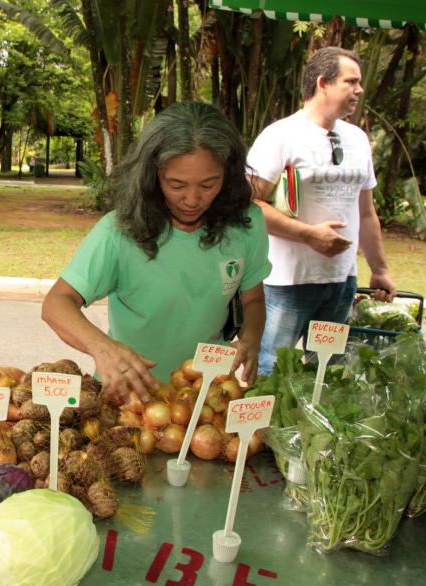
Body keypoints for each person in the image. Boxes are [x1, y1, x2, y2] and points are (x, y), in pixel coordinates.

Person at [42, 101, 271, 403]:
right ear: (152, 175)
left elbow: (252, 299)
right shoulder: (119, 230)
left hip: (206, 397)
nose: (192, 199)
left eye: (208, 184)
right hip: (130, 397)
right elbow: (56, 303)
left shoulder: (246, 223)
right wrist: (101, 347)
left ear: (227, 176)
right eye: (176, 184)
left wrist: (250, 340)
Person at [247, 47, 396, 374]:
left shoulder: (357, 139)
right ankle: (261, 428)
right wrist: (308, 235)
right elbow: (249, 206)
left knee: (326, 373)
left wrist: (379, 269)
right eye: (351, 81)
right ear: (323, 83)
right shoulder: (280, 136)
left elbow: (366, 212)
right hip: (287, 282)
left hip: (342, 282)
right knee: (271, 368)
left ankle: (310, 427)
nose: (359, 89)